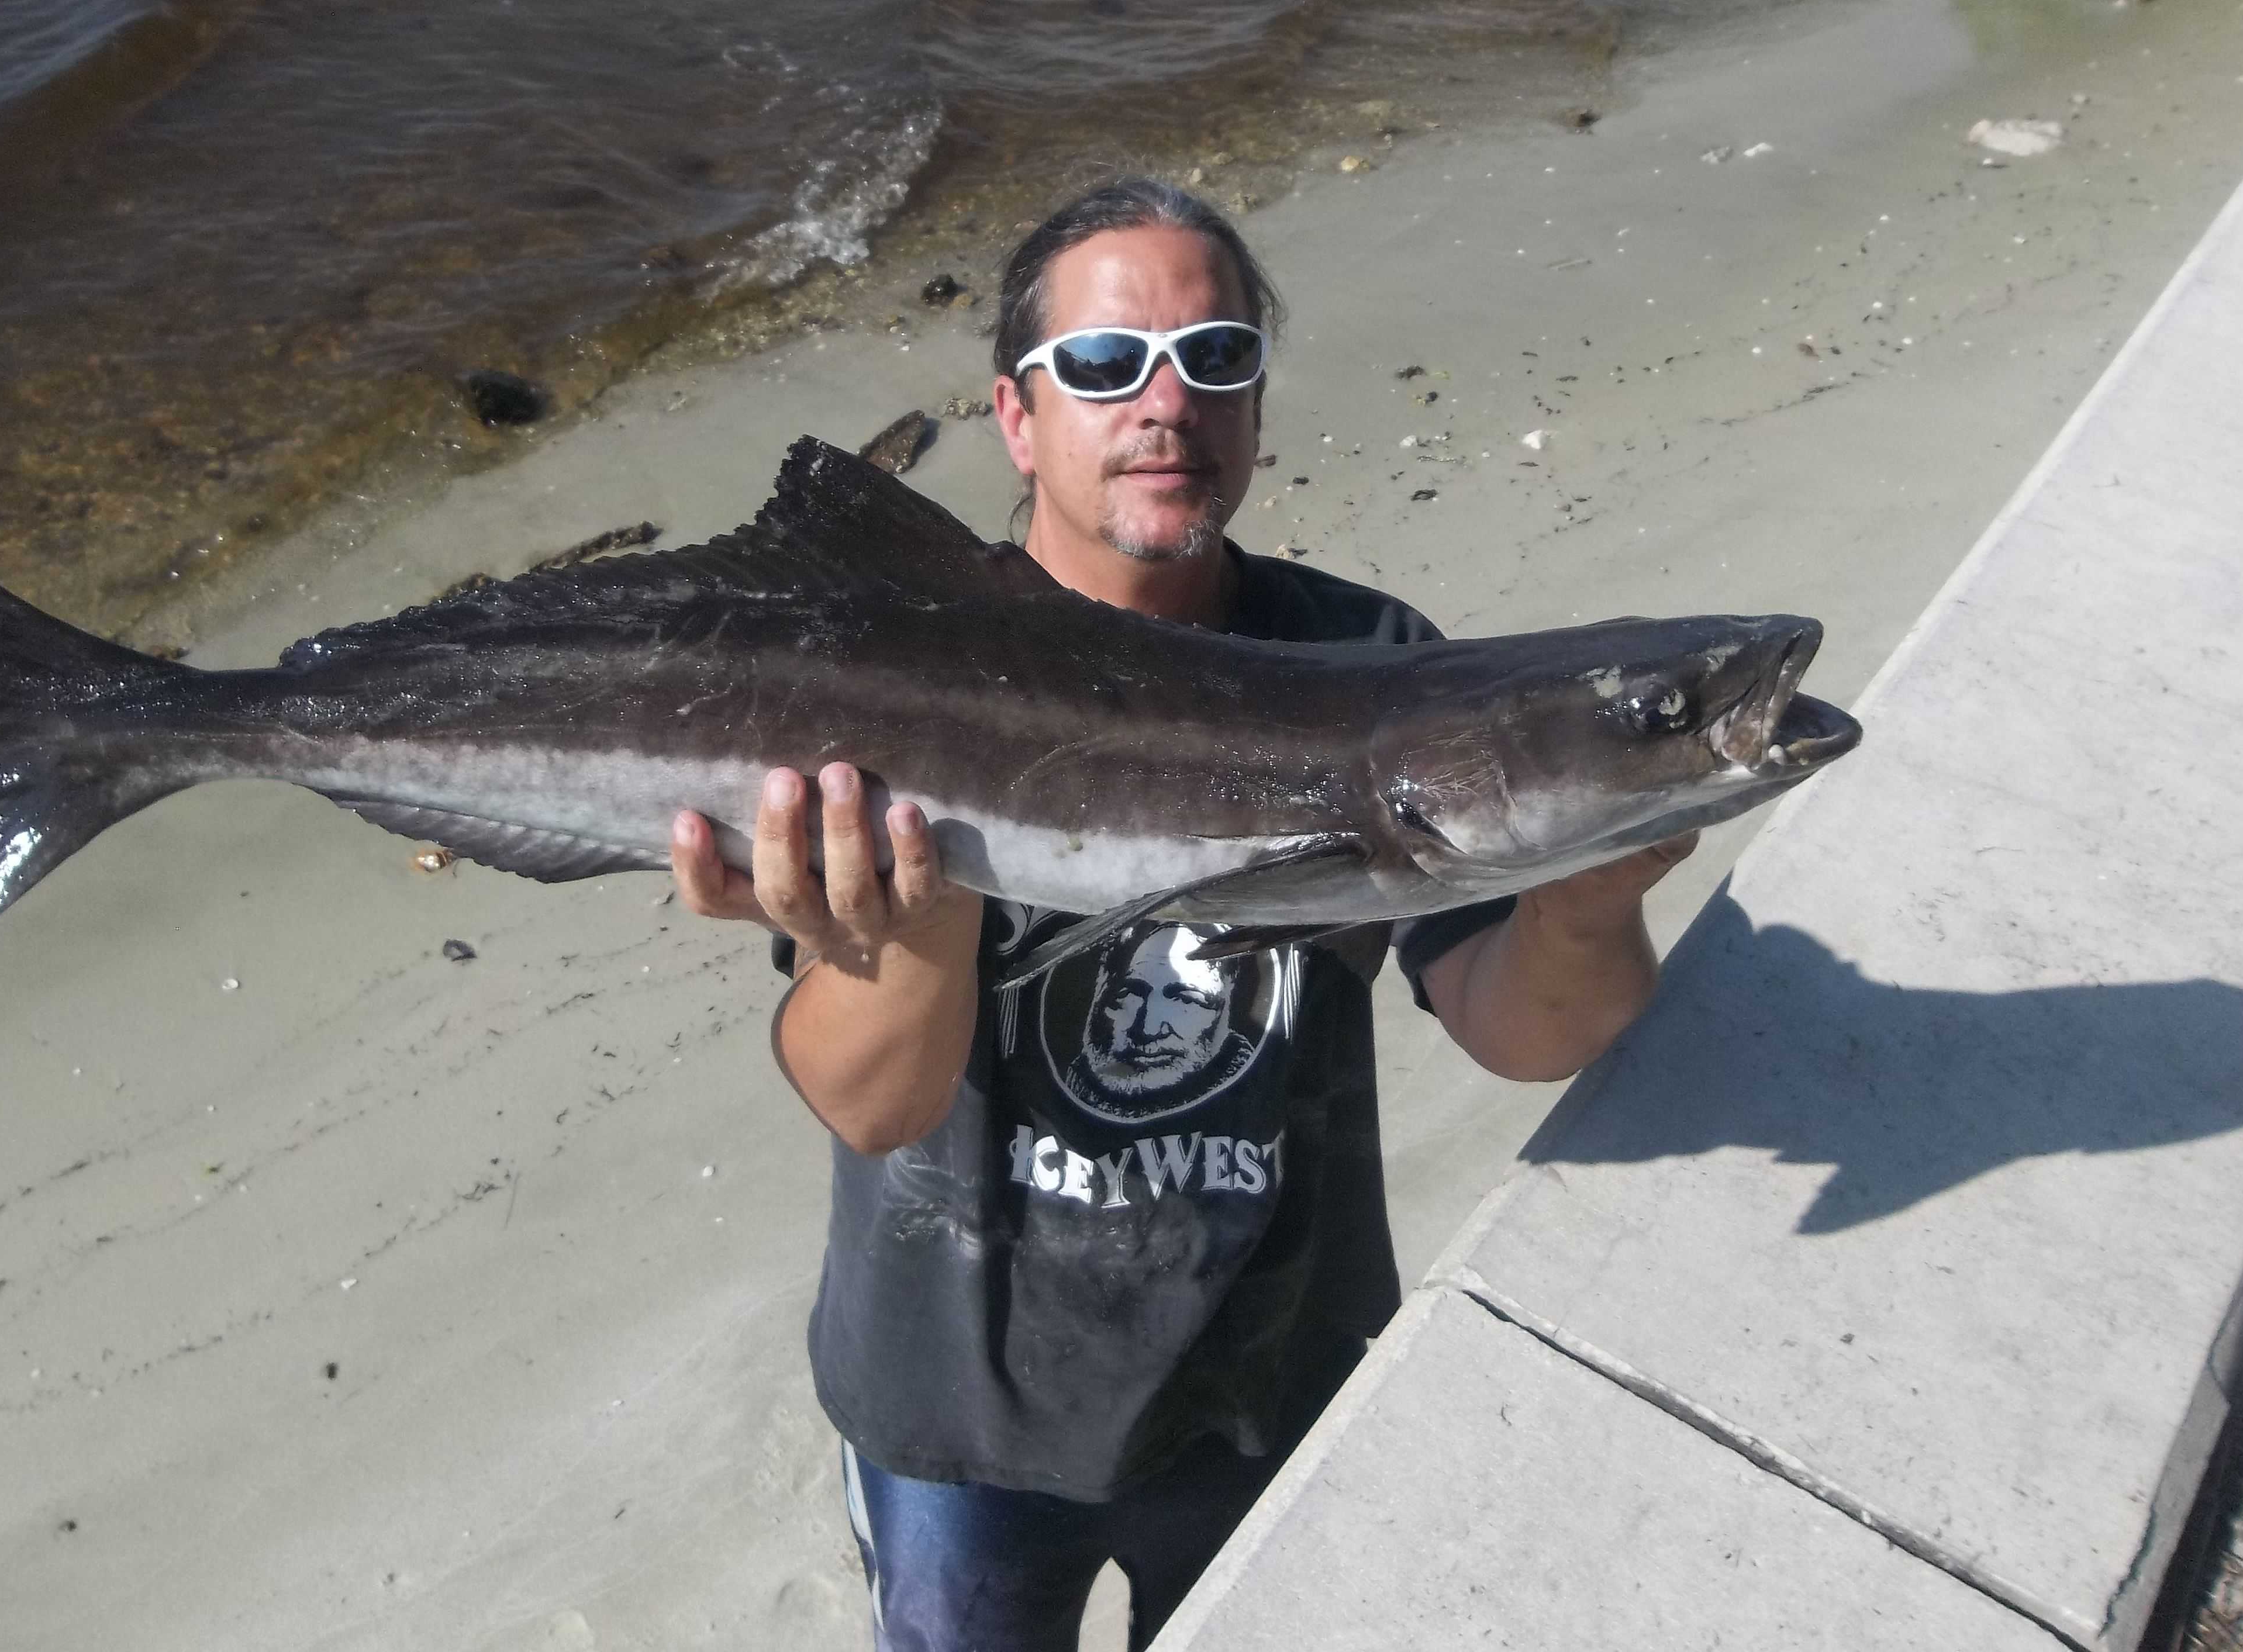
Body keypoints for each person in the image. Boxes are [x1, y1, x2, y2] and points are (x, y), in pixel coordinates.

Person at [668, 177, 1691, 1651]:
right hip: (957, 1420)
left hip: (1270, 1383)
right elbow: (871, 1101)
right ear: (1017, 418)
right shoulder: (882, 671)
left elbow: (1525, 1031)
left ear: (1259, 406)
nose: (1166, 403)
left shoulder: (1367, 661)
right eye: (1103, 365)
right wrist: (922, 926)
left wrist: (1587, 904)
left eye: (1216, 358)